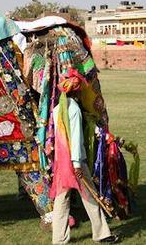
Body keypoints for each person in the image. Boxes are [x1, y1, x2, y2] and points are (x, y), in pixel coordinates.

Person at [51, 71, 119, 244]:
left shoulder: (58, 108)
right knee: (90, 197)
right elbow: (75, 138)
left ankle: (59, 239)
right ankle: (102, 233)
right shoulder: (73, 108)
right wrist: (76, 164)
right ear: (76, 91)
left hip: (61, 162)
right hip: (74, 163)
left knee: (61, 201)